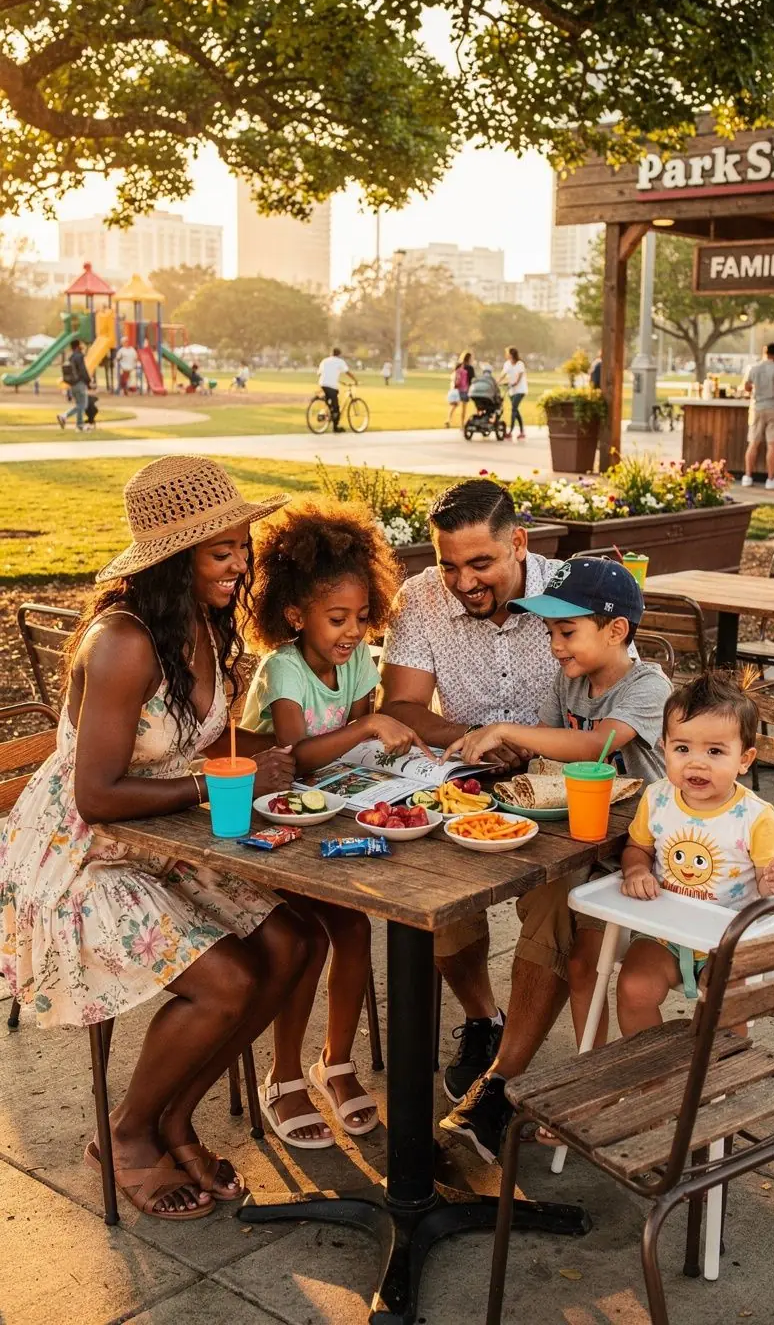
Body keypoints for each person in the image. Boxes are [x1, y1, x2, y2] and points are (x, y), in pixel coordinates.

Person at [0, 456, 311, 1221]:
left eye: (242, 546)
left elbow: (183, 749)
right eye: (221, 551)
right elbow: (96, 791)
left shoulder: (201, 625)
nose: (240, 565)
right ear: (174, 560)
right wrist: (217, 784)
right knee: (227, 980)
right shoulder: (123, 642)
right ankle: (128, 1134)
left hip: (160, 834)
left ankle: (177, 1115)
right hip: (78, 852)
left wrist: (261, 762)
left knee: (296, 943)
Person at [437, 556, 671, 1161]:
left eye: (567, 632)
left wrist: (504, 729)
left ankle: (548, 1089)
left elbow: (596, 744)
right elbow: (551, 759)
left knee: (581, 943)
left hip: (642, 858)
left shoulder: (647, 686)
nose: (555, 645)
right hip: (579, 845)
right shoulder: (566, 681)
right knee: (541, 900)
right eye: (550, 633)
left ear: (615, 631)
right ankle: (503, 1085)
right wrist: (510, 757)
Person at [380, 481, 573, 1129]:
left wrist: (524, 743)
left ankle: (503, 1081)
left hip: (563, 782)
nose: (463, 581)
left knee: (558, 903)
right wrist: (468, 742)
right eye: (449, 564)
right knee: (432, 891)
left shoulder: (573, 591)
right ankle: (483, 1018)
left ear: (519, 542)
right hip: (463, 771)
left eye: (480, 563)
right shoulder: (421, 598)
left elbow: (612, 712)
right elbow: (403, 707)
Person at [241, 500, 428, 1148]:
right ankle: (284, 1075)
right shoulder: (284, 668)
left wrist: (392, 755)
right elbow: (294, 758)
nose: (352, 632)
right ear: (296, 616)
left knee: (355, 927)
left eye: (359, 617)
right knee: (313, 934)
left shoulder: (357, 661)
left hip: (326, 821)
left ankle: (336, 1062)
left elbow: (351, 750)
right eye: (336, 619)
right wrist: (370, 725)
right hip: (265, 831)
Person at [616, 672, 774, 1035]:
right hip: (665, 929)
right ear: (663, 747)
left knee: (724, 1000)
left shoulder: (757, 817)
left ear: (744, 759)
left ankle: (711, 1076)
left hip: (727, 936)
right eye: (682, 749)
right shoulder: (657, 798)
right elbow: (638, 848)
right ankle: (654, 1075)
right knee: (634, 988)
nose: (696, 763)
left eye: (715, 751)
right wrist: (636, 871)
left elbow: (768, 882)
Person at [741, 341, 774, 490]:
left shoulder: (754, 368)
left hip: (757, 408)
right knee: (773, 444)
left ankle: (747, 476)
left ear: (765, 353)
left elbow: (746, 387)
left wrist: (756, 389)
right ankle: (770, 479)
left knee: (753, 443)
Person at [317, 347, 357, 432]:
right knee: (336, 408)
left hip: (322, 384)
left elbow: (319, 373)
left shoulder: (324, 360)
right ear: (339, 354)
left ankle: (325, 413)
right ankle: (335, 427)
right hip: (331, 386)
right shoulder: (340, 361)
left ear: (331, 353)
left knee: (329, 402)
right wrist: (355, 380)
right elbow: (347, 372)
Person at [57, 337, 92, 431]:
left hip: (72, 385)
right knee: (83, 405)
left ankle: (79, 425)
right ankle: (64, 416)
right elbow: (83, 370)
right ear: (77, 346)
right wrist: (88, 382)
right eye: (80, 345)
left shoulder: (71, 357)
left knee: (79, 405)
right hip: (79, 383)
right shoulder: (79, 356)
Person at [499, 347, 528, 440]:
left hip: (520, 390)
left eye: (507, 353)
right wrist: (496, 382)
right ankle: (522, 432)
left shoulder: (520, 364)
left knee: (513, 409)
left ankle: (510, 431)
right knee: (516, 411)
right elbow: (503, 375)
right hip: (511, 391)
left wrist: (513, 383)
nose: (506, 355)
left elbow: (518, 379)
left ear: (511, 354)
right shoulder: (507, 364)